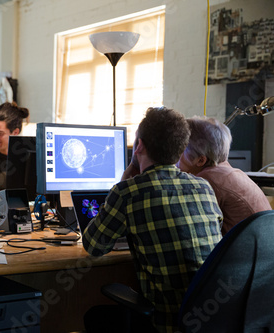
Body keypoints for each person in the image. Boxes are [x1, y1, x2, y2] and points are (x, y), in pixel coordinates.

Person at [82, 107, 223, 333]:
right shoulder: (203, 187)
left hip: (166, 323)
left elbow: (94, 246)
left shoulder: (128, 192)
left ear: (139, 146)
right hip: (213, 319)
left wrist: (124, 179)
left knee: (93, 316)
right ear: (181, 150)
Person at [176, 116, 271, 235]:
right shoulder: (234, 173)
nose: (176, 159)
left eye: (180, 152)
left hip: (240, 252)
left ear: (201, 160)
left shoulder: (207, 180)